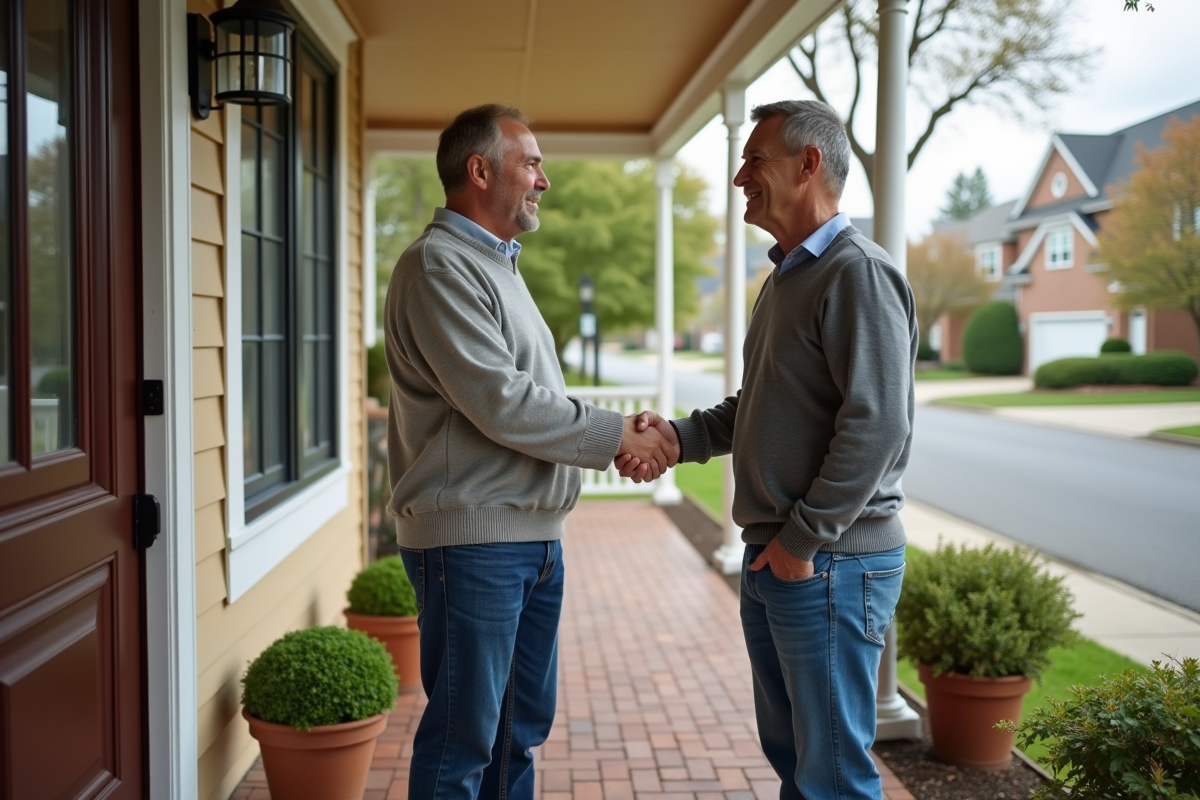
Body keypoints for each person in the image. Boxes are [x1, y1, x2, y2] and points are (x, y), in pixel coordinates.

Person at [619, 100, 917, 800]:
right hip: (783, 557)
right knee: (795, 763)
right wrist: (676, 438)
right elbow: (758, 405)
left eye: (755, 160)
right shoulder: (785, 278)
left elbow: (876, 425)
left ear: (809, 163)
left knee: (833, 777)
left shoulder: (857, 273)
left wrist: (802, 543)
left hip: (830, 564)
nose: (739, 177)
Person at [383, 104, 676, 800]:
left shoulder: (497, 267)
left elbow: (521, 397)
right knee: (464, 744)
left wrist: (616, 439)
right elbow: (501, 400)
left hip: (530, 540)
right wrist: (617, 437)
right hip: (474, 541)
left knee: (517, 736)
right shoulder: (438, 266)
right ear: (479, 170)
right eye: (531, 163)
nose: (544, 179)